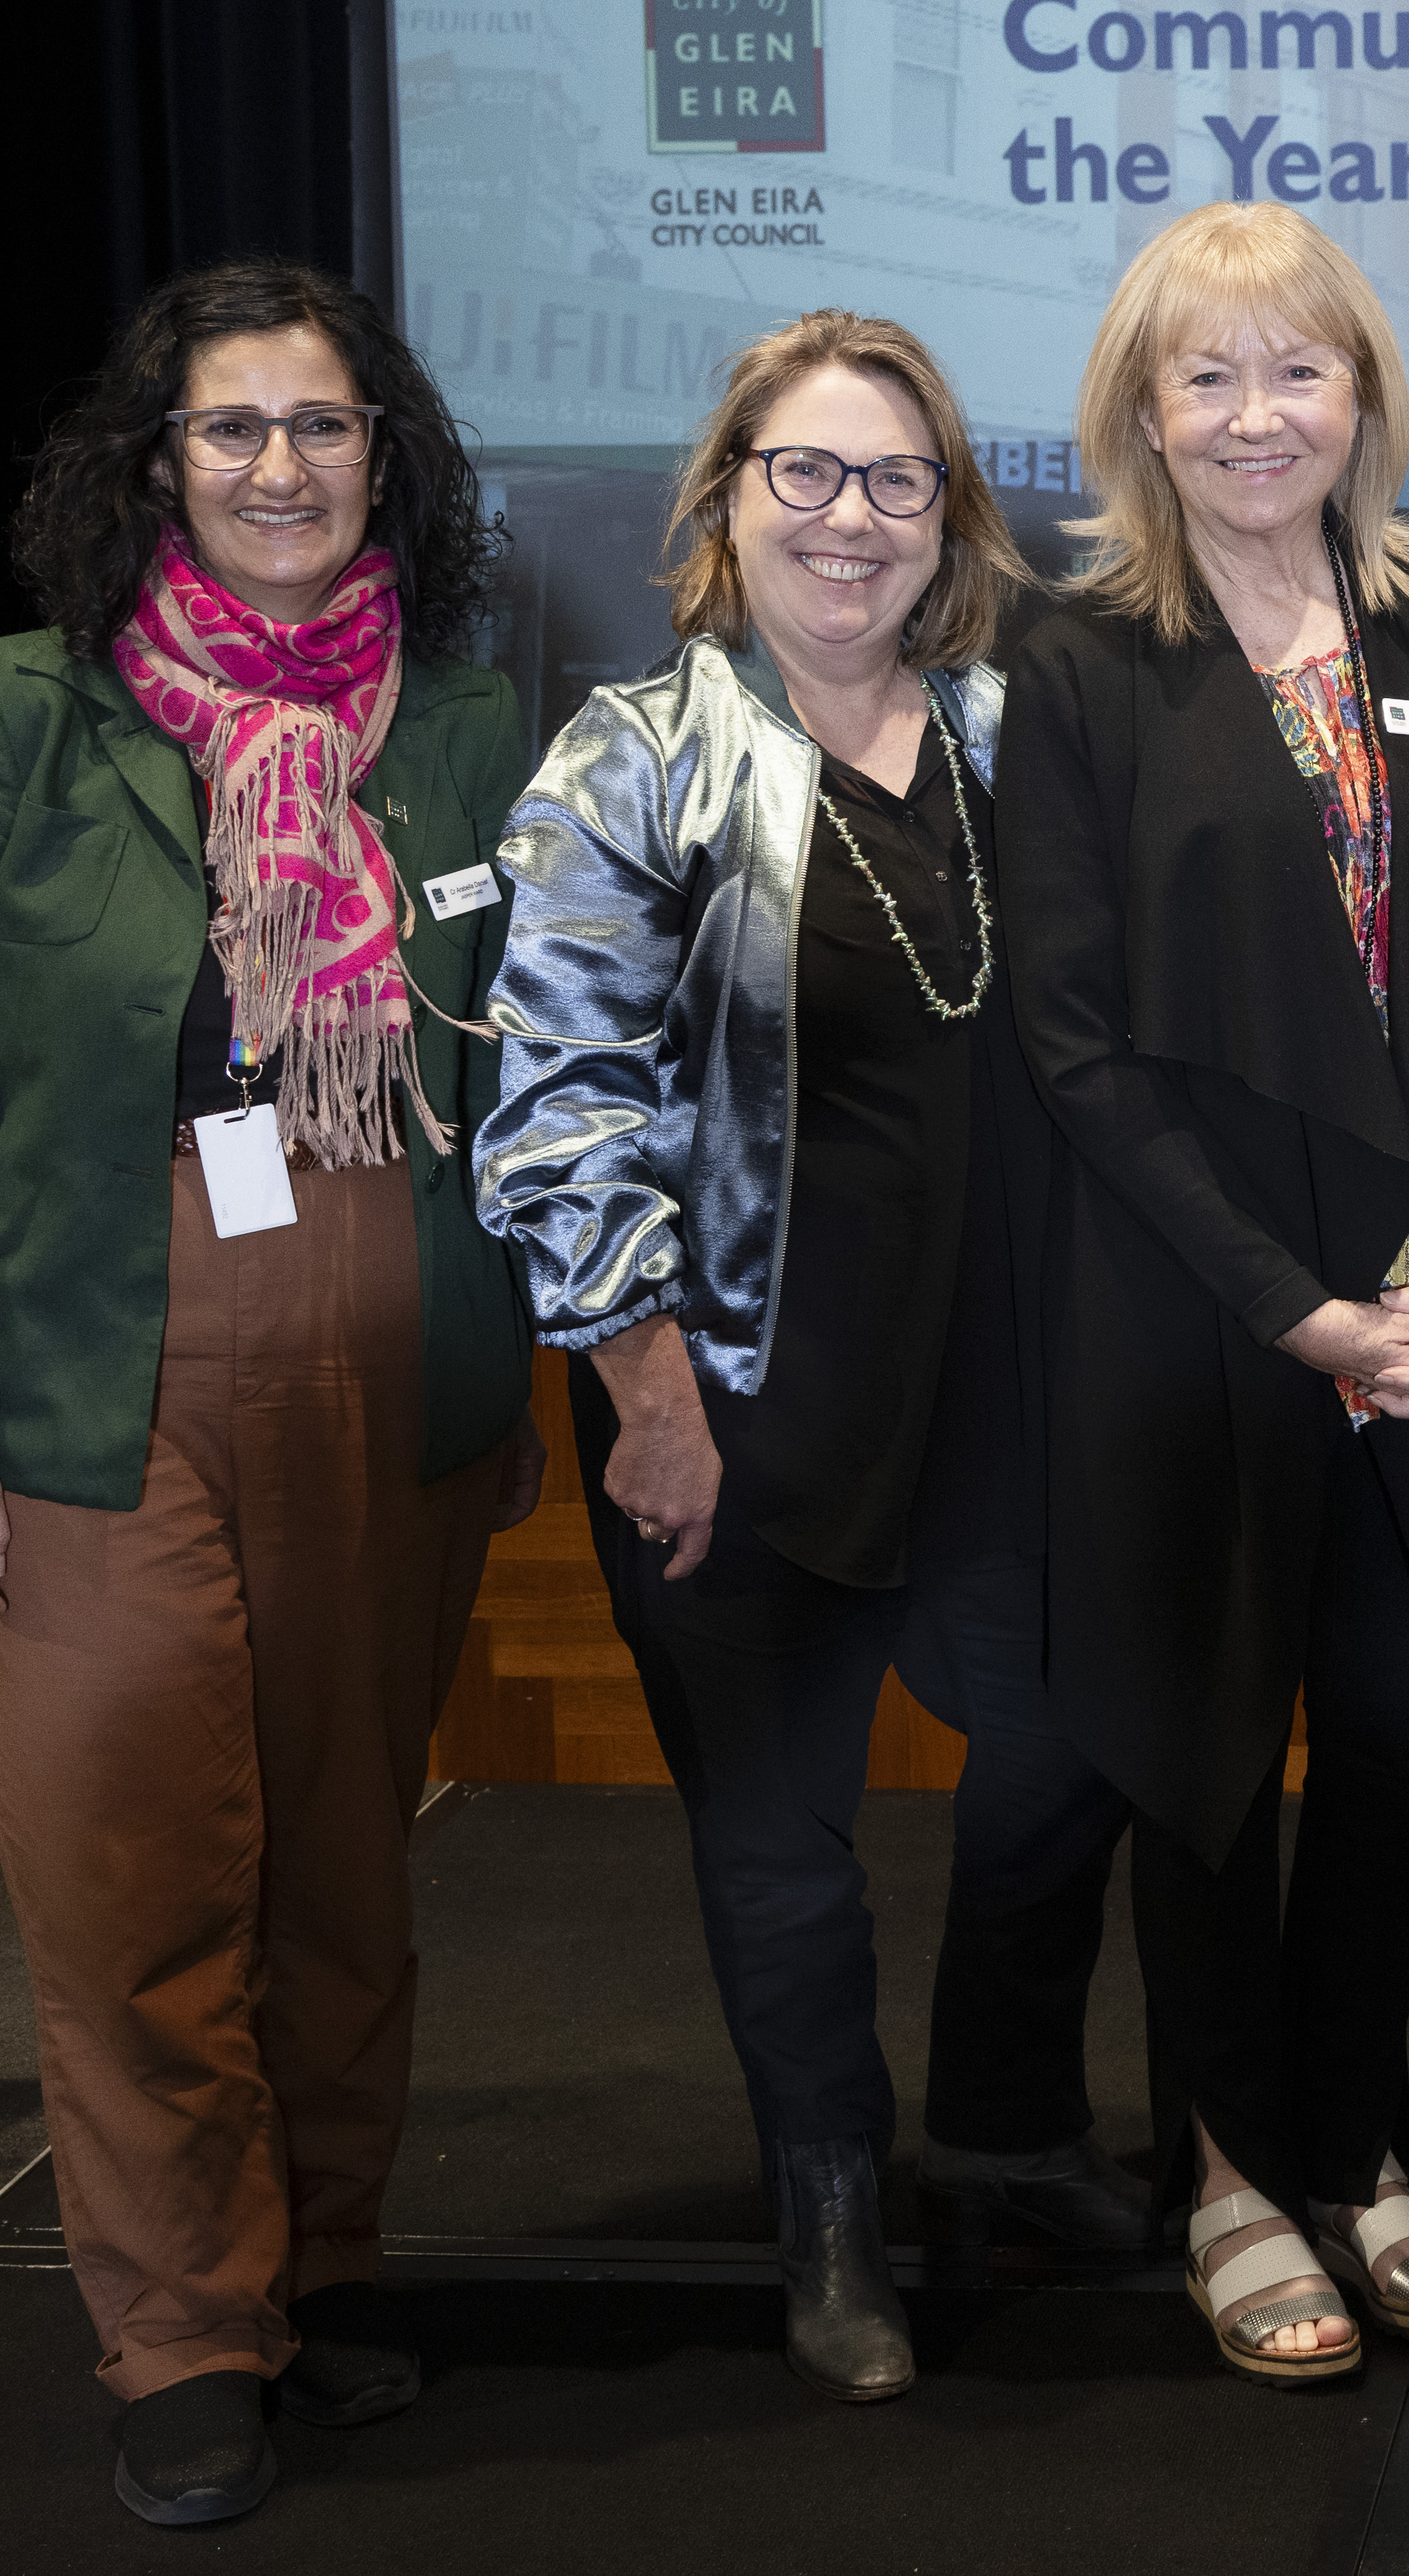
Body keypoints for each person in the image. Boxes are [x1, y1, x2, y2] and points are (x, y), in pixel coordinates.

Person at [0, 259, 540, 2531]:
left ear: (383, 454)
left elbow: (548, 1053)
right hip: (80, 1334)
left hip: (386, 1314)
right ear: (157, 464)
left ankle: (319, 2267)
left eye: (321, 425)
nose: (278, 467)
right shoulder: (6, 709)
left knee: (347, 1853)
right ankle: (176, 2319)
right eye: (230, 429)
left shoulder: (460, 717)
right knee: (134, 1849)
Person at [473, 308, 1129, 2406]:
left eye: (898, 478)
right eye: (807, 473)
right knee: (780, 1837)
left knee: (1064, 1755)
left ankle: (1008, 2127)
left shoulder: (1030, 737)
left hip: (1003, 1397)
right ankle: (832, 2198)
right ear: (728, 498)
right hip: (740, 1403)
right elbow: (556, 1108)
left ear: (952, 517)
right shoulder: (632, 753)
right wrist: (648, 1396)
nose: (851, 518)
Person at [1003, 204, 1409, 2388]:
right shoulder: (1076, 657)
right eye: (1207, 378)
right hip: (1201, 1302)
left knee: (1401, 1731)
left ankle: (1358, 2138)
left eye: (1298, 370)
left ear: (1365, 394)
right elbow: (1069, 1041)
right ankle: (1233, 2162)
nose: (1257, 418)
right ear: (1141, 414)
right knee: (1216, 1744)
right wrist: (1292, 1309)